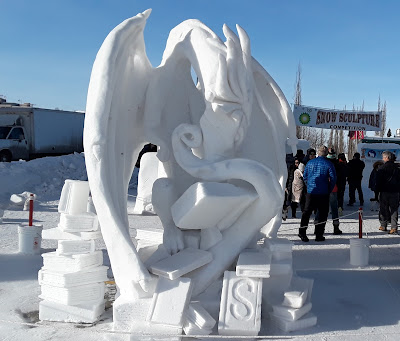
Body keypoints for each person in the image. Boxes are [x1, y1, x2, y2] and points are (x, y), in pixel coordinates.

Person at [298, 146, 337, 242]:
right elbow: (333, 178)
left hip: (311, 191)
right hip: (323, 192)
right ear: (326, 154)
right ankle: (319, 234)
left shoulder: (310, 163)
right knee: (322, 213)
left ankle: (302, 232)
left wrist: (309, 186)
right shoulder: (329, 163)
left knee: (306, 212)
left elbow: (305, 176)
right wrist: (329, 188)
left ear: (318, 153)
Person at [375, 151, 400, 234]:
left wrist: (377, 191)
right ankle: (394, 227)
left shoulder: (382, 168)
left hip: (384, 191)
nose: (382, 159)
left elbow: (378, 181)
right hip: (395, 191)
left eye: (383, 157)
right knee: (394, 209)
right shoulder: (397, 168)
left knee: (383, 208)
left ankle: (383, 225)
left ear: (387, 158)